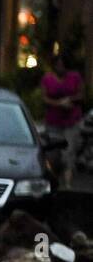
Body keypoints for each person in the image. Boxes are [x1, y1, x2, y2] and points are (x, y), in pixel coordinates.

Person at [41, 54, 85, 188]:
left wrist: (70, 100)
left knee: (69, 152)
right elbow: (44, 98)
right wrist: (59, 103)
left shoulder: (75, 77)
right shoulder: (47, 79)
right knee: (53, 153)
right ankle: (53, 182)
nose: (60, 68)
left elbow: (81, 94)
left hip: (71, 121)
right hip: (53, 121)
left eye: (63, 65)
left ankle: (68, 184)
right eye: (58, 65)